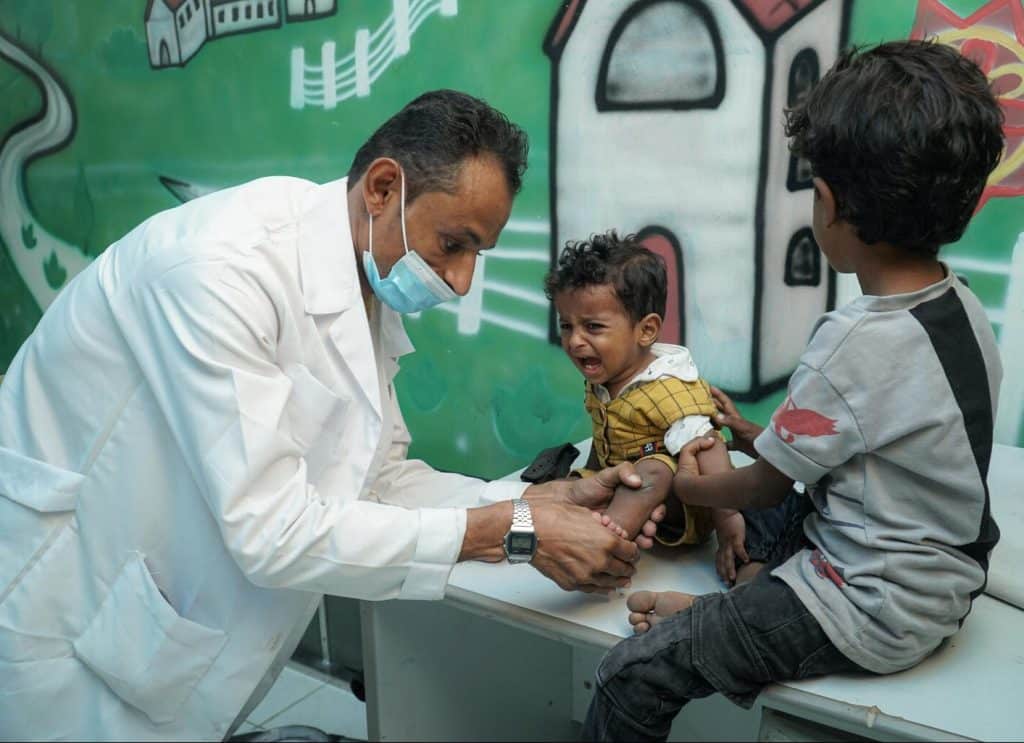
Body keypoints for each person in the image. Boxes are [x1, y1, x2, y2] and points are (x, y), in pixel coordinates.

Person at [0, 90, 659, 741]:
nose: (461, 281)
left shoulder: (363, 272)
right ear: (381, 188)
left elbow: (374, 478)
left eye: (475, 255)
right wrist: (517, 531)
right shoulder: (221, 271)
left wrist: (538, 497)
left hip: (163, 619)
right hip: (66, 613)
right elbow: (271, 530)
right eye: (453, 243)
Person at [582, 39, 1005, 742]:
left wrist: (683, 486)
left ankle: (722, 621)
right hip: (943, 581)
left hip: (869, 607)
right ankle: (737, 605)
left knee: (631, 671)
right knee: (762, 537)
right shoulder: (960, 307)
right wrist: (752, 434)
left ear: (831, 204)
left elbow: (764, 490)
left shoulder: (850, 341)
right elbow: (866, 438)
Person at [544, 231, 744, 561]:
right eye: (567, 326)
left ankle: (603, 544)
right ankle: (590, 514)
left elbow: (710, 448)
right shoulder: (608, 376)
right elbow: (605, 432)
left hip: (687, 506)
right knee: (578, 482)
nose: (575, 341)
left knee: (657, 467)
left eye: (593, 327)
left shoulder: (668, 388)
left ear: (646, 330)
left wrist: (728, 519)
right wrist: (587, 475)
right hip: (632, 490)